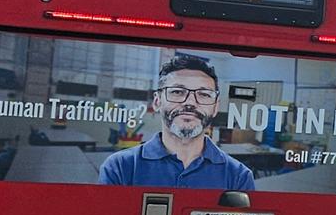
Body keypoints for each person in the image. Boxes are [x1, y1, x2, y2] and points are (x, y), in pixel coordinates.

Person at [98, 54, 256, 191]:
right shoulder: (119, 168)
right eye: (178, 92)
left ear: (215, 107)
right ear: (157, 102)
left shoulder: (239, 176)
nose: (190, 103)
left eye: (203, 94)